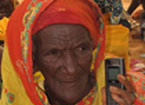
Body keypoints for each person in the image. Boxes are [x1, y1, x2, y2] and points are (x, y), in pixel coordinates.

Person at [0, 0, 141, 105]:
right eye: (53, 53)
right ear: (32, 61)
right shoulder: (20, 98)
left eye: (82, 49)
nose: (72, 69)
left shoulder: (128, 92)